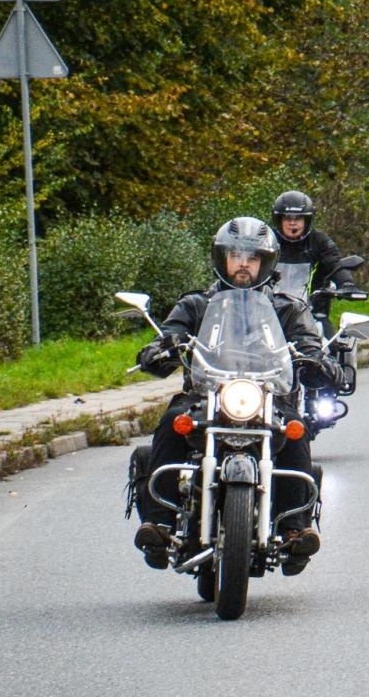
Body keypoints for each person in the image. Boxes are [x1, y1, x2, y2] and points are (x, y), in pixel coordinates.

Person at [132, 217, 334, 575]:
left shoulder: (288, 308)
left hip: (269, 397)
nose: (243, 264)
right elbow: (170, 333)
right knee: (170, 423)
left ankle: (294, 528)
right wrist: (159, 349)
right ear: (221, 259)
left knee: (295, 429)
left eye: (252, 257)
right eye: (236, 255)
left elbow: (309, 342)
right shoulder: (195, 304)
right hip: (206, 394)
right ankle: (159, 524)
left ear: (266, 263)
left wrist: (319, 359)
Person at [270, 190, 357, 330]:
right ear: (279, 220)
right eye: (287, 218)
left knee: (332, 346)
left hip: (312, 312)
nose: (293, 223)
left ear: (307, 220)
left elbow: (334, 263)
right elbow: (248, 261)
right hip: (269, 312)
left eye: (298, 218)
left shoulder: (319, 241)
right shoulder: (267, 240)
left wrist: (346, 283)